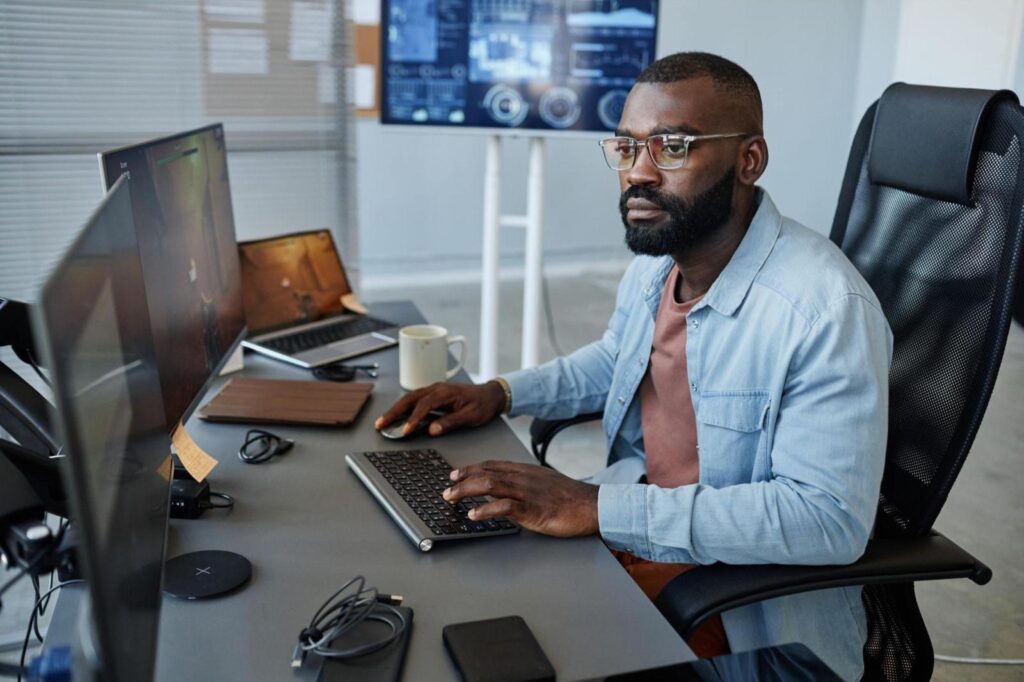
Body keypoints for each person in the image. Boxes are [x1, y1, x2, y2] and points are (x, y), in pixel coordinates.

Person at [375, 52, 893, 681]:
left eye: (671, 147)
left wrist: (599, 508)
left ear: (748, 160)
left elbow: (826, 521)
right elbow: (620, 360)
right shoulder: (661, 260)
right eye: (626, 148)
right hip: (647, 532)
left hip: (743, 614)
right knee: (463, 596)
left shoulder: (822, 309)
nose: (637, 174)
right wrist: (501, 392)